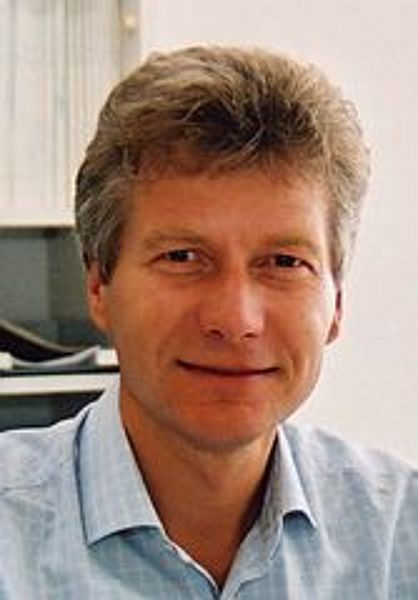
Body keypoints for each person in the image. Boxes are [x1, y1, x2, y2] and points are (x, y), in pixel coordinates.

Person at [1, 45, 417, 599]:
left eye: (284, 262)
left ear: (336, 303)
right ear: (99, 286)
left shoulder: (401, 535)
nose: (235, 319)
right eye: (182, 257)